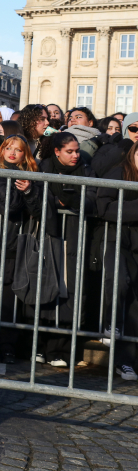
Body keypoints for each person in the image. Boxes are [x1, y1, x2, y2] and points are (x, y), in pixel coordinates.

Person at [30, 132, 97, 367]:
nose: (75, 155)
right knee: (45, 290)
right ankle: (40, 346)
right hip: (48, 236)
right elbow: (36, 198)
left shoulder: (87, 170)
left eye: (77, 150)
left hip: (75, 238)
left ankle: (65, 350)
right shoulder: (43, 168)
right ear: (57, 151)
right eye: (70, 151)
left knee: (72, 293)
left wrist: (69, 198)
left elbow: (91, 200)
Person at [0, 135, 41, 363]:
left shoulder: (32, 175)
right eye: (8, 148)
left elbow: (38, 209)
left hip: (18, 242)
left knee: (11, 297)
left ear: (26, 154)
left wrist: (29, 191)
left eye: (18, 150)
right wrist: (17, 185)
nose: (12, 153)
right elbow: (9, 206)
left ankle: (8, 346)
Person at [96, 141, 138, 381]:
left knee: (135, 304)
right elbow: (104, 207)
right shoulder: (120, 171)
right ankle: (110, 324)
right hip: (116, 239)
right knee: (119, 283)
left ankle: (127, 362)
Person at [92, 111, 138, 178]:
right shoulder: (110, 147)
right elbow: (98, 169)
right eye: (133, 128)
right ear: (125, 130)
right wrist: (122, 148)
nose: (137, 132)